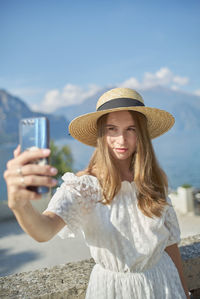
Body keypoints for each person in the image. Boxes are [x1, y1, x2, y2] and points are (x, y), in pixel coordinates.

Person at [4, 88, 190, 299]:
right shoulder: (85, 186)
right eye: (112, 129)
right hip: (113, 291)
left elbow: (170, 243)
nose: (122, 139)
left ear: (142, 134)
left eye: (131, 129)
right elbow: (44, 230)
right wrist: (19, 205)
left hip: (164, 284)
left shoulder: (154, 180)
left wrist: (184, 291)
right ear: (101, 133)